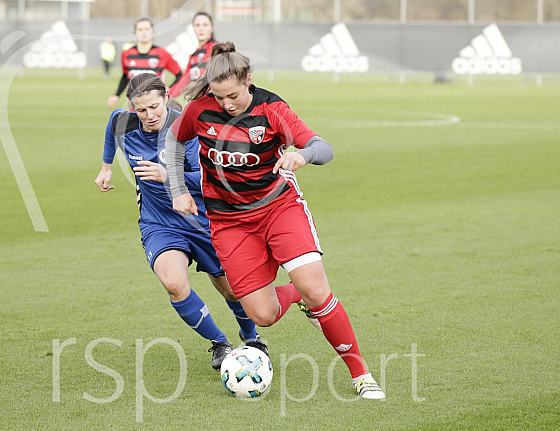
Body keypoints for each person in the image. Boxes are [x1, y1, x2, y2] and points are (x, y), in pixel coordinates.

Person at [165, 42, 385, 399]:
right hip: (230, 224)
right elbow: (175, 141)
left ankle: (361, 375)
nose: (227, 105)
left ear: (248, 80)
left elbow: (323, 147)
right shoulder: (199, 110)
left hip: (279, 208)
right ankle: (296, 292)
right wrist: (178, 189)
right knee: (263, 315)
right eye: (219, 98)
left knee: (318, 290)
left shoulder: (272, 108)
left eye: (233, 95)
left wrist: (303, 155)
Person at [95, 72, 267, 370]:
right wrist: (106, 166)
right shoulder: (123, 120)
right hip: (158, 222)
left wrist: (168, 175)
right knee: (174, 283)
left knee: (230, 288)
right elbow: (112, 128)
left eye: (154, 107)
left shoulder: (185, 129)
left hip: (201, 217)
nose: (149, 115)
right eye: (141, 110)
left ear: (165, 97)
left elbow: (210, 178)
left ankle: (252, 339)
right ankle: (220, 343)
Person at [106, 18, 182, 109]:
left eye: (147, 29)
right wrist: (116, 95)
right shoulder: (126, 54)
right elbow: (125, 77)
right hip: (135, 107)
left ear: (153, 32)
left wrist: (169, 90)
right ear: (135, 33)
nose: (144, 32)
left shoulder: (162, 53)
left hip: (156, 108)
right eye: (140, 30)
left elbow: (179, 75)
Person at [169, 11, 217, 99]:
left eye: (205, 25)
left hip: (216, 102)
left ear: (212, 28)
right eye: (197, 25)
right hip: (201, 102)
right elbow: (182, 83)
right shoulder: (193, 56)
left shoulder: (217, 49)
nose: (201, 28)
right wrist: (165, 96)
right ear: (193, 28)